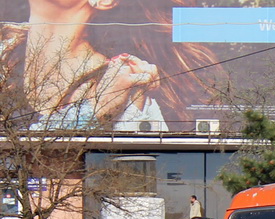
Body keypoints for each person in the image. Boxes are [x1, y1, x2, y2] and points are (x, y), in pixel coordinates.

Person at [0, 1, 218, 132]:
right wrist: (92, 113)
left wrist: (102, 109)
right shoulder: (5, 49)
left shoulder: (124, 80)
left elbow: (133, 176)